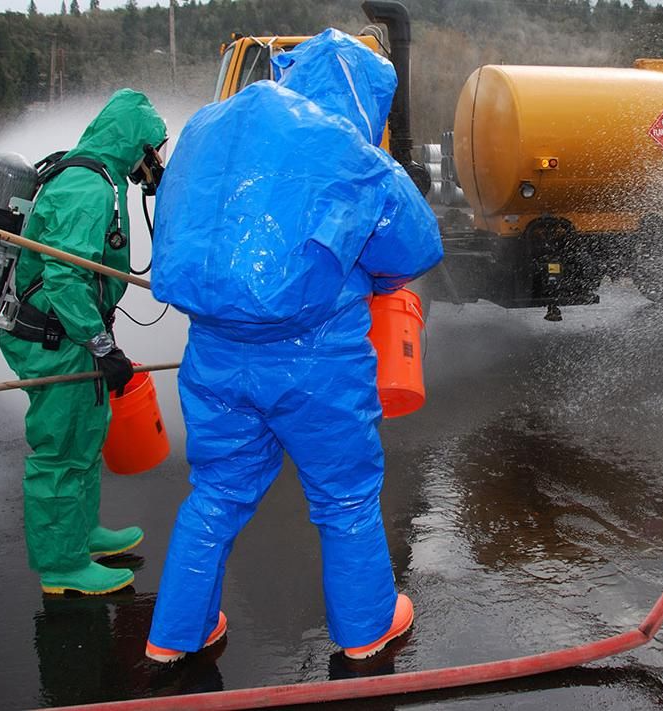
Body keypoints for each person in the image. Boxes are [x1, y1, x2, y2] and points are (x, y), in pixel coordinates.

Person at [144, 29, 443, 663]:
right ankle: (366, 629)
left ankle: (176, 634)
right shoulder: (348, 150)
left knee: (217, 494)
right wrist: (367, 274)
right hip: (317, 364)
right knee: (345, 496)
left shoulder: (205, 130)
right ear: (364, 94)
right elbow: (415, 248)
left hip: (214, 357)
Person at [0, 89, 168, 595]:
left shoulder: (101, 178)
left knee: (85, 435)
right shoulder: (86, 187)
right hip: (56, 337)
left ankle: (82, 532)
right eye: (153, 148)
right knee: (60, 448)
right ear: (133, 141)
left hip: (69, 333)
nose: (154, 160)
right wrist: (100, 344)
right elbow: (66, 278)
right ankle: (62, 565)